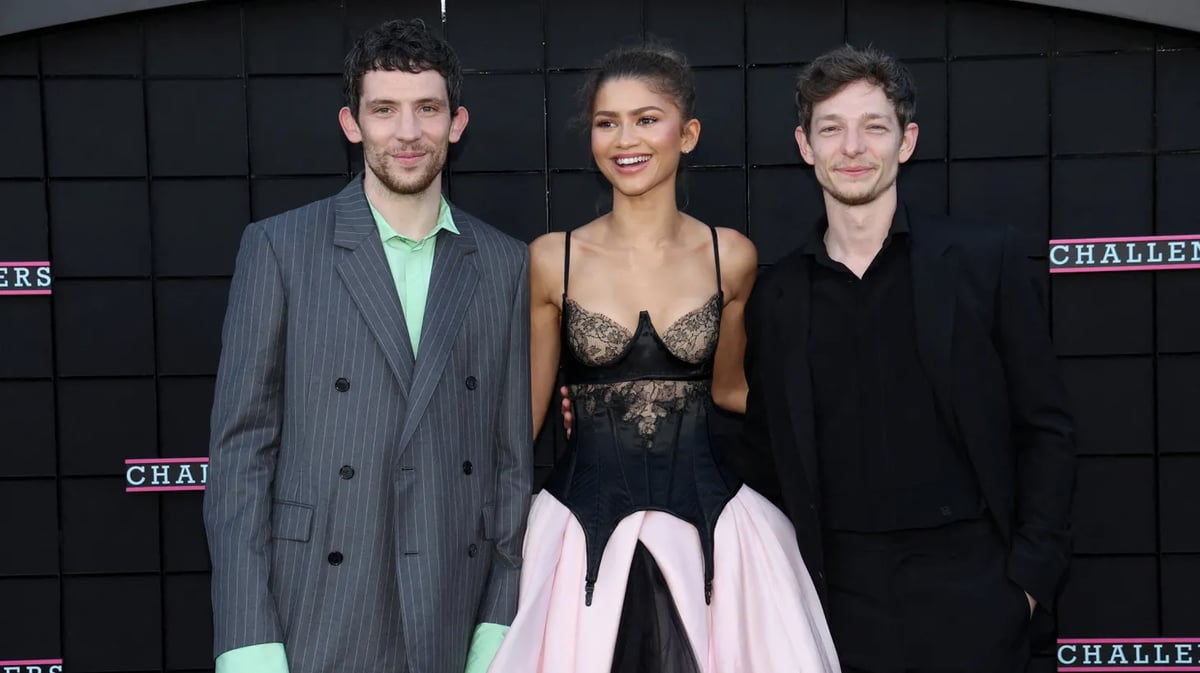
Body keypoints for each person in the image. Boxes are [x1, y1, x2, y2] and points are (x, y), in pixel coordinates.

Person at [488, 44, 839, 673]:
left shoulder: (730, 256)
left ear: (688, 133)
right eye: (607, 122)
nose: (626, 138)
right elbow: (523, 423)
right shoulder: (551, 259)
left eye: (647, 119)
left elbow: (731, 388)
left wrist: (850, 399)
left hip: (717, 539)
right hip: (579, 539)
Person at [734, 45, 1076, 673]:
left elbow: (1045, 427)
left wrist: (1028, 582)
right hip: (835, 598)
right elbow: (763, 449)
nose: (853, 147)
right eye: (831, 128)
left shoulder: (983, 261)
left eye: (874, 126)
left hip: (976, 585)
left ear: (906, 140)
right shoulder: (775, 294)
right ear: (806, 146)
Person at [203, 19, 532, 673]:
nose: (407, 133)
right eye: (384, 110)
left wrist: (497, 626)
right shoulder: (279, 248)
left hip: (451, 604)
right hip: (313, 606)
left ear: (456, 122)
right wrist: (247, 640)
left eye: (427, 109)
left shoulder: (506, 264)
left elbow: (511, 467)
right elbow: (240, 455)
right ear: (352, 123)